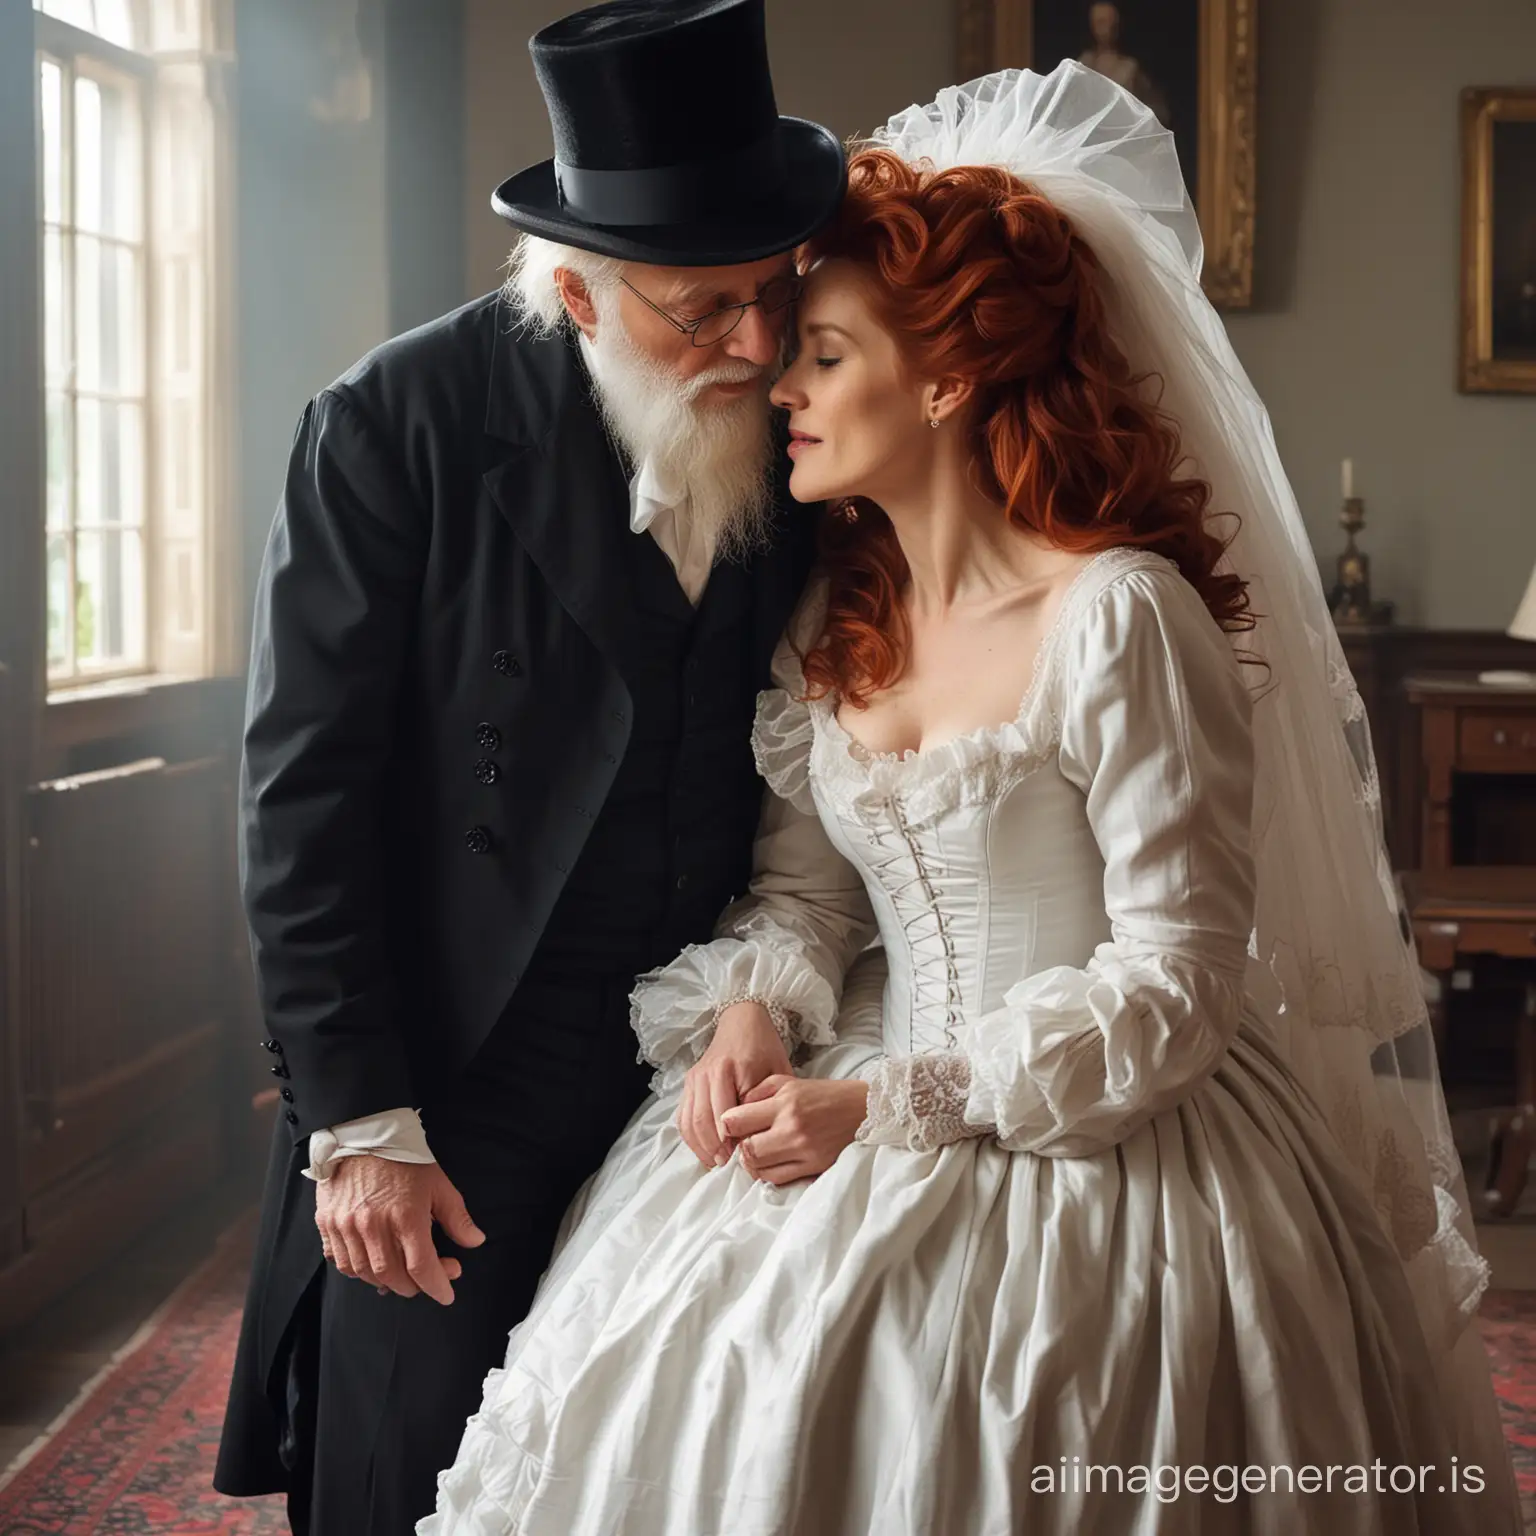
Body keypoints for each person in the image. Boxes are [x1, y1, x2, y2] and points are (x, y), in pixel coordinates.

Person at [418, 65, 1521, 1535]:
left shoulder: (1120, 618)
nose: (776, 384)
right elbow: (808, 891)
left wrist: (890, 1104)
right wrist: (754, 1006)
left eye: (820, 353)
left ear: (944, 379)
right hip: (856, 1074)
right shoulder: (837, 611)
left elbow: (1178, 982)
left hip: (1111, 1139)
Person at [211, 2, 849, 1531]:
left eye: (776, 293)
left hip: (701, 1059)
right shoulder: (393, 427)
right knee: (405, 1474)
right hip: (458, 1069)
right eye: (705, 311)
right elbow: (304, 806)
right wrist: (358, 1128)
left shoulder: (811, 426)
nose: (758, 349)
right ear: (574, 290)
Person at [1079, 2, 1170, 126]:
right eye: (1099, 22)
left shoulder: (1130, 68)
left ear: (1117, 25)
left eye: (1108, 22)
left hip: (1122, 135)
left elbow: (1157, 111)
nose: (1105, 28)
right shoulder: (1083, 64)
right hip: (1091, 137)